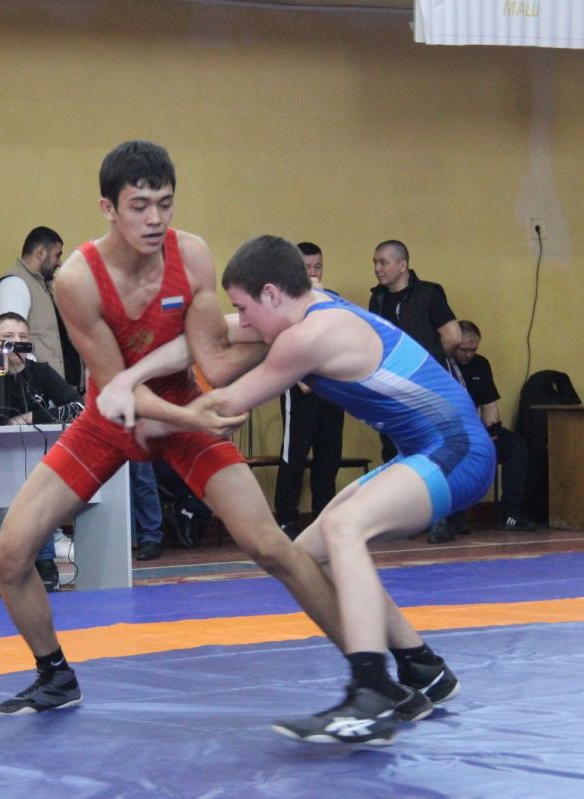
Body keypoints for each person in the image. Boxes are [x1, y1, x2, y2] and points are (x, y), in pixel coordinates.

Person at [0, 141, 445, 733]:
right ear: (108, 209)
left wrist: (290, 336)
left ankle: (384, 676)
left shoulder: (191, 255)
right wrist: (196, 415)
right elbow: (120, 391)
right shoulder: (79, 279)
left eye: (165, 203)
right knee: (9, 553)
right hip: (113, 419)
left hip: (185, 406)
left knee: (272, 547)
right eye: (139, 206)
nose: (155, 219)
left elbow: (212, 356)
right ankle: (54, 675)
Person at [129, 235, 492, 745]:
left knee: (344, 527)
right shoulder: (309, 304)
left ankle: (370, 695)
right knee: (308, 554)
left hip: (458, 450)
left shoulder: (308, 337)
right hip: (429, 448)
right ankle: (421, 667)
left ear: (272, 293)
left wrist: (147, 416)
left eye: (246, 307)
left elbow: (224, 409)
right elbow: (216, 333)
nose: (244, 320)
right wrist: (139, 358)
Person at [368, 240, 465, 543]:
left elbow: (453, 336)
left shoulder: (429, 293)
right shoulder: (378, 299)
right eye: (375, 262)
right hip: (391, 389)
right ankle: (406, 517)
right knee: (395, 449)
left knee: (436, 448)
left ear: (402, 265)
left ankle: (445, 518)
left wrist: (428, 367)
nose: (377, 268)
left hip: (426, 388)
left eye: (383, 262)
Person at [0, 312, 86, 588]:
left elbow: (78, 407)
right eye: (8, 338)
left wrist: (31, 417)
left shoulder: (39, 372)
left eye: (23, 337)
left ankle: (44, 561)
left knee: (40, 495)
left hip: (34, 460)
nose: (17, 343)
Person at [274, 243, 346, 539]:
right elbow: (279, 343)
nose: (313, 273)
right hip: (299, 389)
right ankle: (286, 519)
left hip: (331, 389)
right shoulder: (284, 304)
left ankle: (323, 517)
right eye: (307, 268)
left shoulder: (332, 299)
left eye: (318, 267)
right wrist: (299, 376)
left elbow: (342, 339)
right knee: (294, 455)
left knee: (329, 456)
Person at [450, 321, 538, 532]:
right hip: (451, 433)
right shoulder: (441, 364)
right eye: (464, 350)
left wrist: (491, 433)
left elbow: (489, 404)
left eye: (473, 350)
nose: (469, 355)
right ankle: (453, 516)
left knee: (516, 446)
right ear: (453, 345)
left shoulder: (481, 364)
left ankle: (511, 513)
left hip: (477, 432)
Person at [0, 226, 83, 392]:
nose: (60, 263)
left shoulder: (44, 286)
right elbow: (11, 346)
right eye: (57, 255)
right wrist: (36, 382)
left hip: (55, 392)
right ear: (41, 253)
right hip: (34, 393)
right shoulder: (15, 284)